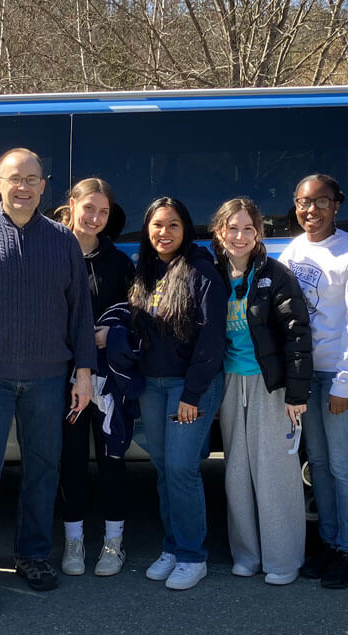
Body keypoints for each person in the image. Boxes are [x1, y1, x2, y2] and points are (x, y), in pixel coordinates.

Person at [0, 148, 96, 613]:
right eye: (15, 179)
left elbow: (80, 315)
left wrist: (84, 373)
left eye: (32, 178)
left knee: (43, 472)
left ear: (44, 185)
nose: (24, 186)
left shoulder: (63, 240)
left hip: (49, 379)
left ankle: (32, 556)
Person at [279, 174, 348, 589]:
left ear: (337, 204)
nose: (310, 210)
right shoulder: (294, 250)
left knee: (343, 465)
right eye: (303, 202)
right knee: (316, 463)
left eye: (320, 202)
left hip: (339, 374)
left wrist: (345, 382)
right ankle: (330, 541)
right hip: (306, 374)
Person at [211, 197, 311, 586]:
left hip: (272, 385)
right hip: (230, 383)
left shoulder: (275, 275)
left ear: (259, 234)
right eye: (232, 228)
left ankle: (283, 560)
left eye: (248, 229)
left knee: (274, 471)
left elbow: (297, 336)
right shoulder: (213, 275)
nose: (240, 236)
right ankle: (247, 555)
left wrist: (297, 394)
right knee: (236, 470)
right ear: (220, 233)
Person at [130, 197, 226, 591]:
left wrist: (192, 393)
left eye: (172, 225)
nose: (164, 233)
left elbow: (210, 342)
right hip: (152, 386)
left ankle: (192, 555)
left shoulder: (202, 273)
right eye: (157, 225)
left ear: (185, 228)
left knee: (183, 469)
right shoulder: (147, 272)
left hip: (190, 388)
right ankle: (171, 547)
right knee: (163, 467)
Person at [52, 178, 136, 577]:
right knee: (70, 459)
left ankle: (113, 542)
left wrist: (112, 334)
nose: (95, 218)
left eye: (103, 212)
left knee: (111, 458)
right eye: (89, 209)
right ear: (72, 206)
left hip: (107, 381)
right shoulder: (51, 251)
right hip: (62, 378)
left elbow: (136, 317)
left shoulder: (119, 262)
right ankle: (73, 542)